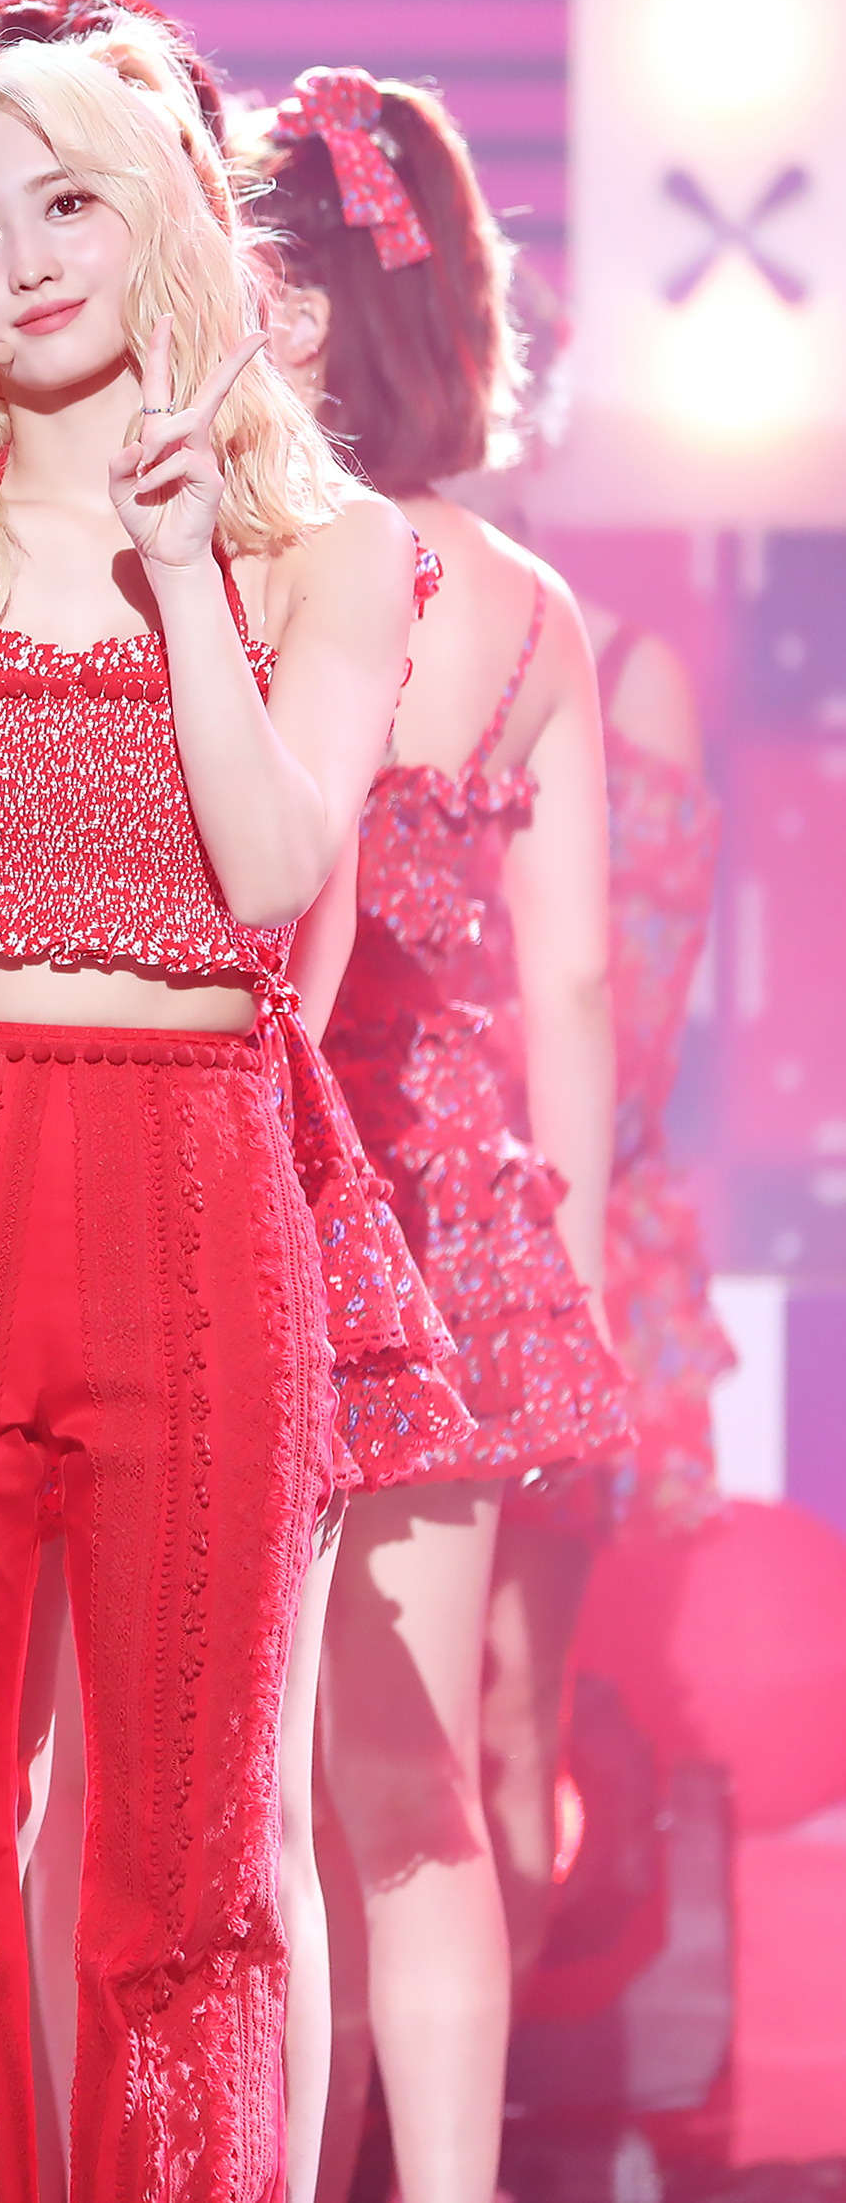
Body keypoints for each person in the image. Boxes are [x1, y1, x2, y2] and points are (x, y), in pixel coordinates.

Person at [0, 23, 465, 2201]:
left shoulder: (323, 549)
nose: (25, 263)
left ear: (162, 223)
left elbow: (275, 871)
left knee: (197, 1887)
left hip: (200, 1196)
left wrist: (181, 572)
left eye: (66, 208)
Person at [247, 69, 632, 2203]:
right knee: (417, 1797)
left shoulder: (242, 571)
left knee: (255, 1792)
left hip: (259, 1185)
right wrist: (559, 1266)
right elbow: (567, 989)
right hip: (455, 1218)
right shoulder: (531, 608)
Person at [481, 603, 734, 1986]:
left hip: (539, 1224)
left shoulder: (630, 668)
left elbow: (623, 1013)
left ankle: (469, 2092)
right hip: (355, 1214)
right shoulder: (318, 594)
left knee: (515, 1706)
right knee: (319, 1724)